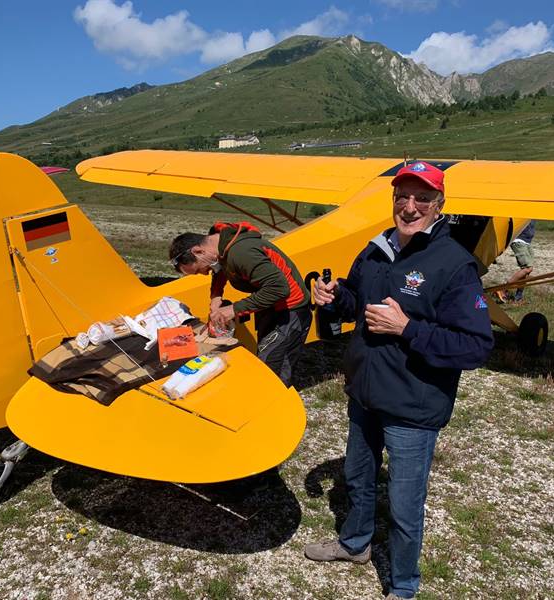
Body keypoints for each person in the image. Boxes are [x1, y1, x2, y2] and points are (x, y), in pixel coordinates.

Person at [304, 161, 494, 599]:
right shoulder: (376, 250)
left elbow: (475, 346)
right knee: (357, 475)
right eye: (402, 197)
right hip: (366, 392)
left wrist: (407, 328)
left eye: (422, 198)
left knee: (406, 508)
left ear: (439, 205)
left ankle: (404, 587)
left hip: (413, 406)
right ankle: (355, 545)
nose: (410, 207)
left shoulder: (454, 265)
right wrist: (335, 299)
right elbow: (358, 303)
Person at [169, 221, 312, 387]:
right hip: (270, 306)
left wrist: (234, 309)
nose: (204, 272)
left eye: (199, 269)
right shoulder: (219, 247)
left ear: (198, 251)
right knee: (265, 353)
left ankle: (273, 401)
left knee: (273, 367)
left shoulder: (241, 252)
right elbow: (220, 268)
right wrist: (216, 296)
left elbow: (279, 288)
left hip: (290, 310)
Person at [506, 220, 535, 303]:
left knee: (527, 272)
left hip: (527, 242)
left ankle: (518, 298)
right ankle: (504, 289)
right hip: (519, 240)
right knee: (527, 268)